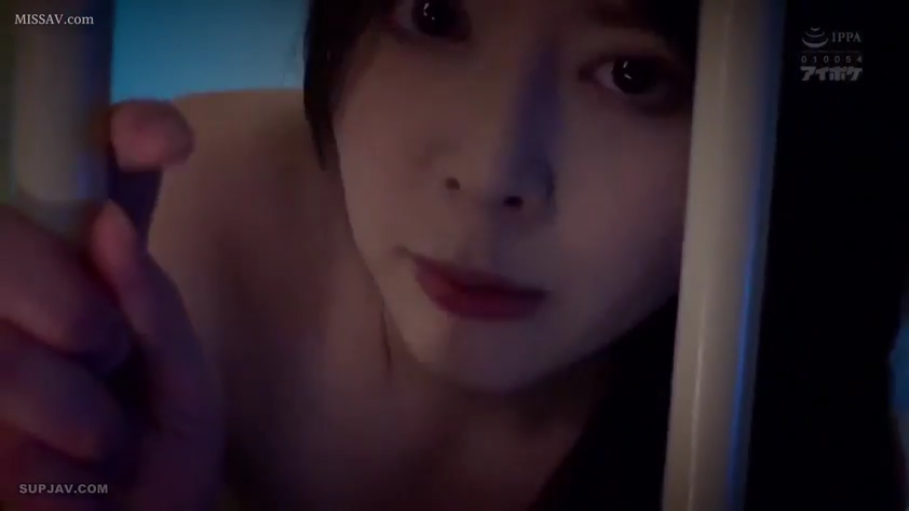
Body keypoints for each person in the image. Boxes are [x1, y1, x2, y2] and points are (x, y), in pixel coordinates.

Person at [0, 0, 701, 509]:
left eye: (631, 74)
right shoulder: (164, 235)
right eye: (434, 16)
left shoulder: (739, 416)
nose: (490, 175)